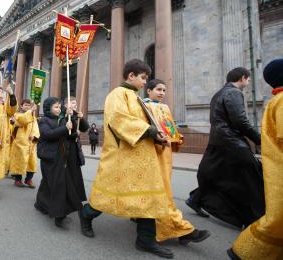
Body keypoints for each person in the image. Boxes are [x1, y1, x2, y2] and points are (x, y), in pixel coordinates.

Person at [77, 59, 173, 259]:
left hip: (143, 157)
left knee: (148, 199)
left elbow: (147, 124)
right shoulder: (117, 95)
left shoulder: (136, 97)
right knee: (109, 195)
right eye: (143, 78)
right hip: (123, 157)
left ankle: (145, 240)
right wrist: (151, 131)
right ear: (131, 76)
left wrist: (158, 136)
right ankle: (86, 214)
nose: (145, 82)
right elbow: (119, 120)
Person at [186, 67, 265, 229]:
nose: (248, 83)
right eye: (248, 79)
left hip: (218, 139)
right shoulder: (234, 93)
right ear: (243, 78)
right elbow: (240, 121)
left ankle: (195, 199)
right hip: (231, 141)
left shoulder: (218, 93)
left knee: (217, 174)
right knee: (252, 176)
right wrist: (259, 140)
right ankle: (254, 218)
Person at [228, 59, 283, 260]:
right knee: (276, 219)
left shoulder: (275, 101)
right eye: (247, 78)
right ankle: (246, 250)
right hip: (279, 165)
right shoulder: (282, 100)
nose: (248, 82)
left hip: (275, 164)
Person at [144, 79, 210, 244]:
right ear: (148, 91)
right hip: (155, 151)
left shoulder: (164, 107)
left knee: (162, 189)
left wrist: (176, 137)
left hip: (166, 152)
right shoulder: (145, 106)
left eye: (164, 90)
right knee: (162, 191)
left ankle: (145, 218)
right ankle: (180, 229)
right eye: (158, 89)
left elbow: (169, 127)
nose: (162, 93)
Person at [34, 96, 89, 228]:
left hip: (62, 157)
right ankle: (59, 216)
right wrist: (65, 128)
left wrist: (75, 117)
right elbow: (48, 135)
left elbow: (74, 132)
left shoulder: (64, 118)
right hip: (50, 158)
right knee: (58, 185)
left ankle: (42, 204)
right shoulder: (43, 120)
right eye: (56, 107)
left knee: (53, 183)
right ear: (48, 108)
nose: (59, 109)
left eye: (59, 107)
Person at [9, 99, 40, 188]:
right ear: (21, 106)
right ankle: (18, 180)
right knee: (20, 161)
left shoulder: (33, 117)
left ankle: (28, 179)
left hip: (31, 143)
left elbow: (35, 127)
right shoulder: (17, 115)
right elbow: (22, 121)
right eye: (25, 105)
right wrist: (31, 111)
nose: (27, 107)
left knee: (32, 162)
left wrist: (34, 136)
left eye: (29, 105)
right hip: (20, 141)